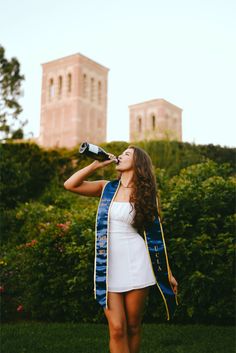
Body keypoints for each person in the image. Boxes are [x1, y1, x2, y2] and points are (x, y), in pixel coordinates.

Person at [64, 145, 178, 353]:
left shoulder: (146, 195)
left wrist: (167, 272)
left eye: (127, 154)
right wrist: (95, 165)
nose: (120, 156)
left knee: (133, 326)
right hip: (109, 264)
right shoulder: (106, 188)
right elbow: (70, 184)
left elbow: (155, 237)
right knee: (117, 328)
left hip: (137, 260)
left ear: (138, 163)